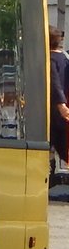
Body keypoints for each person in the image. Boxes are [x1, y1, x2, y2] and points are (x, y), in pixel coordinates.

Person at [51, 27, 69, 167]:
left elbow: (55, 82)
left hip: (55, 111)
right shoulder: (65, 58)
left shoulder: (50, 60)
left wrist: (61, 104)